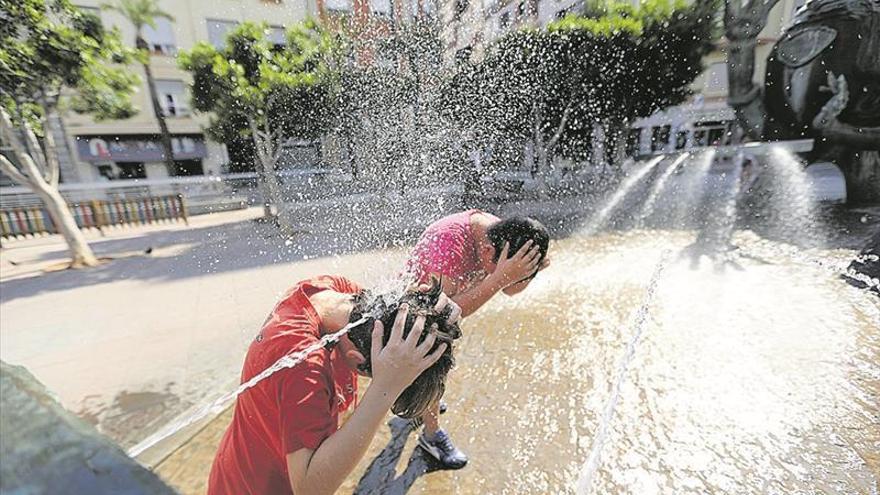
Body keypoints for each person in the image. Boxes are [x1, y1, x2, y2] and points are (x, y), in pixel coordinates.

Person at [207, 276, 461, 495]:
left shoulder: (335, 292)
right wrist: (385, 389)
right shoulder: (303, 368)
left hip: (244, 460)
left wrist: (419, 309)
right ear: (356, 360)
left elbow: (391, 319)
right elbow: (309, 489)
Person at [405, 211, 551, 469]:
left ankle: (418, 398)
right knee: (432, 356)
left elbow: (510, 289)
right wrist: (498, 279)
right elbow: (442, 313)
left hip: (447, 300)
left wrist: (524, 271)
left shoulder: (505, 239)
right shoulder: (449, 244)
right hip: (416, 306)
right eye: (504, 270)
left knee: (431, 367)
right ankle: (431, 436)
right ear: (485, 251)